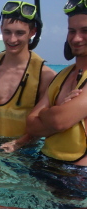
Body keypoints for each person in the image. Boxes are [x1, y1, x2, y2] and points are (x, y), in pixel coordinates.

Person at [0, 1, 56, 151]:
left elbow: (46, 125)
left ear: (32, 32)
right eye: (7, 32)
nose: (12, 39)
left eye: (20, 33)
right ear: (1, 29)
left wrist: (20, 143)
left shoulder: (45, 76)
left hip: (20, 152)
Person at [26, 0, 87, 166]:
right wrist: (57, 112)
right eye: (71, 31)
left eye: (85, 31)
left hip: (77, 178)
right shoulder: (63, 75)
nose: (76, 38)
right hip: (45, 164)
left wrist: (47, 113)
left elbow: (59, 121)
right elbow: (31, 124)